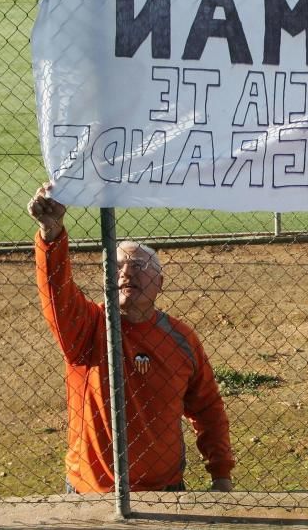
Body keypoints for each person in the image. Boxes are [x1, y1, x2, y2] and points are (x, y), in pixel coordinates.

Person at [28, 182, 235, 493]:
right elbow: (56, 294)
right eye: (116, 266)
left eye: (138, 265)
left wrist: (220, 474)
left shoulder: (181, 339)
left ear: (160, 282)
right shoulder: (88, 327)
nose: (126, 273)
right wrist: (51, 234)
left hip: (164, 489)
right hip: (92, 492)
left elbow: (207, 409)